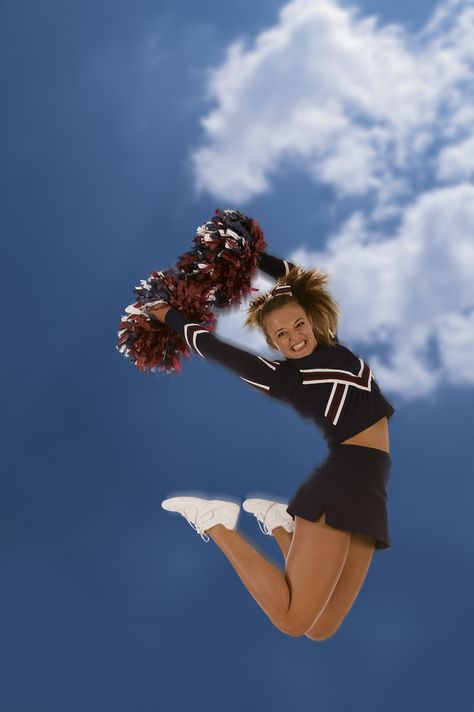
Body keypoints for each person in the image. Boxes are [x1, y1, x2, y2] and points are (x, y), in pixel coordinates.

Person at [149, 251, 395, 640]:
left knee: (323, 628)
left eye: (299, 324)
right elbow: (215, 349)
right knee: (294, 622)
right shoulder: (284, 377)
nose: (295, 336)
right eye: (281, 335)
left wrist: (245, 254)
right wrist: (167, 315)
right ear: (271, 343)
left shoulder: (333, 347)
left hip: (372, 487)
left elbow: (295, 279)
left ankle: (281, 526)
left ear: (312, 320)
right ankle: (214, 521)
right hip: (343, 481)